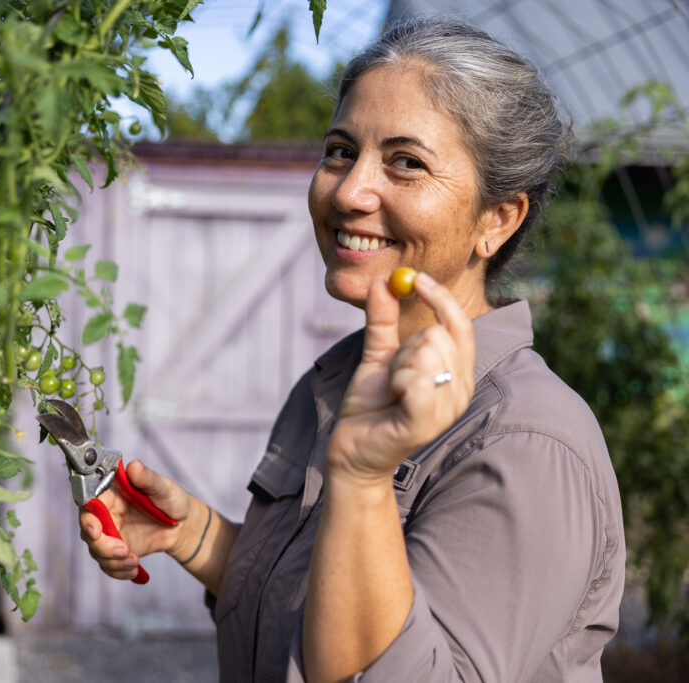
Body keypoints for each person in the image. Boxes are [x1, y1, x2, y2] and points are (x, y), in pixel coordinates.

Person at [79, 16, 625, 682]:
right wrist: (193, 535)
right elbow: (316, 610)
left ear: (497, 219)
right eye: (341, 150)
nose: (347, 190)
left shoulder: (525, 440)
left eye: (405, 162)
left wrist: (364, 478)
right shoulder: (335, 381)